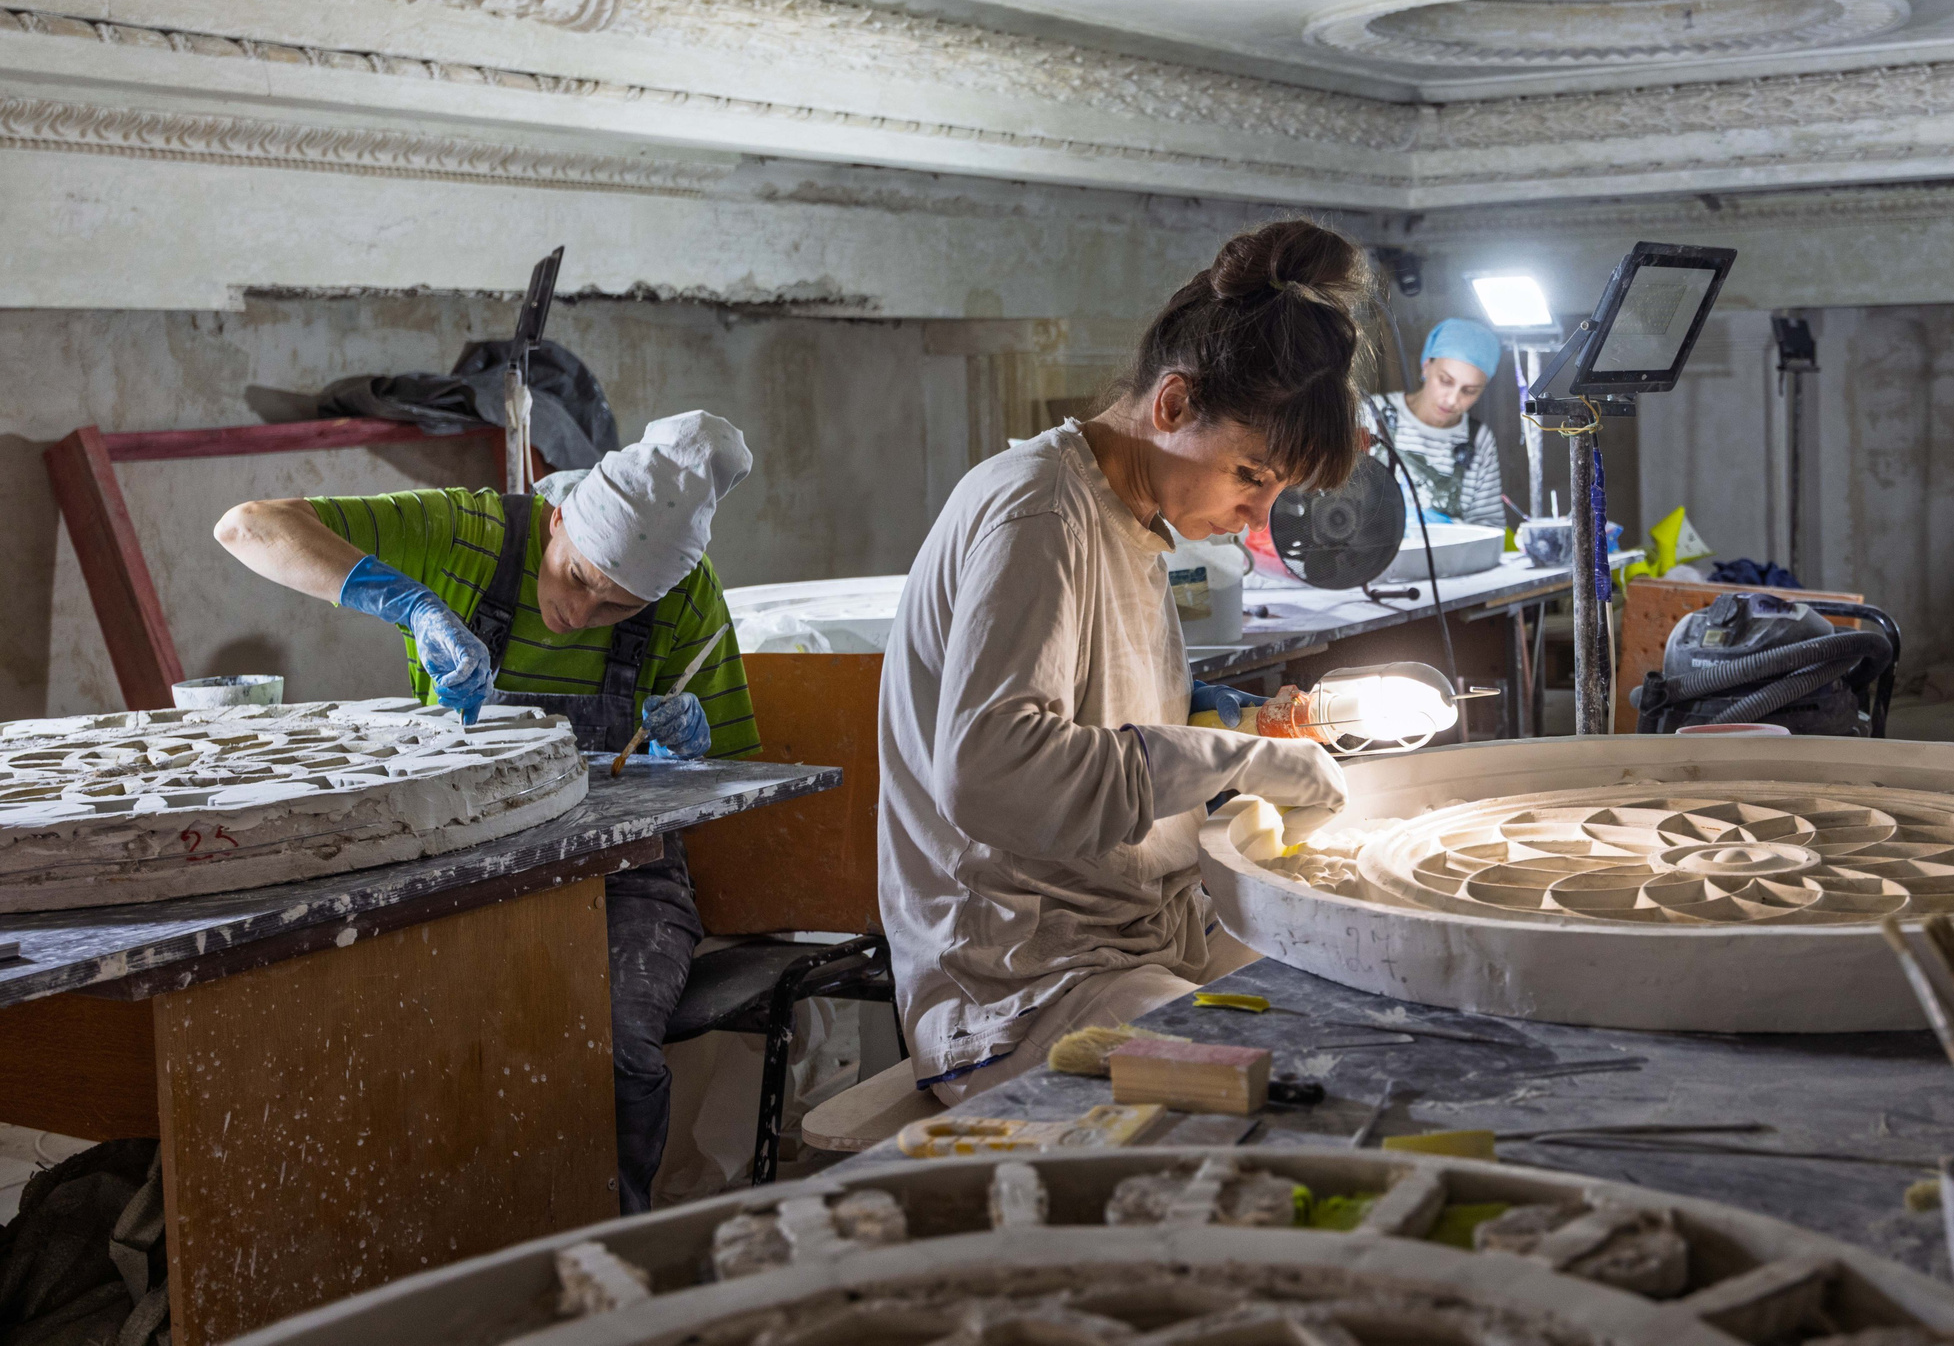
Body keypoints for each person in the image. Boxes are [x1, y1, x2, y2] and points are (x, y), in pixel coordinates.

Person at [213, 410, 756, 1214]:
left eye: (616, 610)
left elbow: (736, 775)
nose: (580, 613)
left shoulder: (687, 600)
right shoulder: (469, 532)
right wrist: (411, 604)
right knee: (409, 1044)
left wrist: (689, 757)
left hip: (626, 874)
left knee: (610, 1046)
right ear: (561, 517)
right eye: (575, 579)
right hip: (460, 857)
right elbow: (248, 526)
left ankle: (616, 1257)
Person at [879, 221, 1360, 1104]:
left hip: (1134, 931)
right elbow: (992, 771)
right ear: (1173, 406)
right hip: (1025, 980)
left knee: (1366, 975)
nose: (1257, 516)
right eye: (1251, 473)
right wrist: (1231, 760)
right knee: (1296, 1090)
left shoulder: (1124, 513)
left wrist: (1219, 720)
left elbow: (1102, 721)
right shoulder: (1040, 512)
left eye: (1275, 492)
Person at [1371, 316, 1505, 528]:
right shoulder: (1372, 415)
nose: (1452, 400)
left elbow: (1489, 527)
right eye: (1445, 381)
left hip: (1448, 561)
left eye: (1469, 391)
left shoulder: (1478, 439)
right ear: (1426, 366)